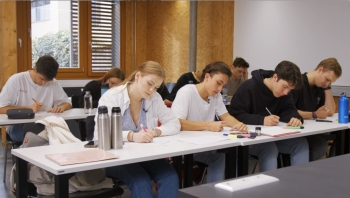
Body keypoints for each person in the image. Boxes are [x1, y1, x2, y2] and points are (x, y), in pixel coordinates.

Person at [93, 61, 180, 198]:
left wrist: (156, 131)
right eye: (150, 84)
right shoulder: (112, 96)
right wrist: (132, 136)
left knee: (170, 176)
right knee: (141, 181)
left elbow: (174, 123)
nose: (152, 90)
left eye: (156, 87)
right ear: (138, 76)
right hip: (115, 156)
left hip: (143, 155)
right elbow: (100, 134)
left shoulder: (155, 98)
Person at [171, 61, 252, 183]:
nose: (220, 89)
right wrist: (208, 125)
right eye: (218, 83)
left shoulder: (215, 95)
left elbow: (225, 116)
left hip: (205, 145)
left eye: (223, 85)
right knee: (219, 158)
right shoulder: (186, 92)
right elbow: (177, 123)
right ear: (207, 77)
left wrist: (238, 125)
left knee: (231, 154)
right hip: (185, 147)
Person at [228, 60, 309, 170]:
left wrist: (295, 118)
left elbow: (289, 109)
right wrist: (262, 120)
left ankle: (299, 185)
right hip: (250, 139)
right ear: (275, 77)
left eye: (290, 89)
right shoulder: (249, 88)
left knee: (301, 144)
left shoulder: (285, 93)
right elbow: (235, 115)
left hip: (273, 137)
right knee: (269, 149)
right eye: (285, 87)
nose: (286, 92)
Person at [0, 55, 71, 142]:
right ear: (35, 69)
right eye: (42, 79)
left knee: (65, 131)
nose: (44, 83)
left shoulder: (53, 83)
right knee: (45, 137)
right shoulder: (16, 80)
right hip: (18, 125)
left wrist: (61, 107)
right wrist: (28, 109)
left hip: (45, 123)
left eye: (47, 81)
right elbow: (1, 108)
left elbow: (67, 103)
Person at [291, 58, 342, 160]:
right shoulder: (297, 83)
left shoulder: (320, 86)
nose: (327, 83)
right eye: (327, 79)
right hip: (295, 130)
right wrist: (314, 114)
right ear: (320, 70)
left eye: (331, 82)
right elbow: (290, 112)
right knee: (321, 146)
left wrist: (327, 88)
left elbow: (330, 111)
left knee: (342, 137)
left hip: (311, 130)